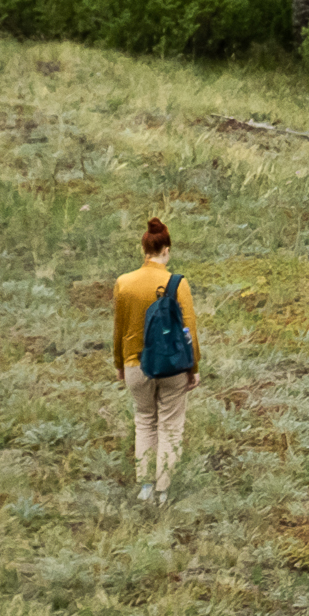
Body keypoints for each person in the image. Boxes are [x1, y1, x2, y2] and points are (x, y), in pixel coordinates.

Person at [112, 214, 202, 505]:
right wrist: (194, 366)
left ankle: (145, 488)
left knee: (145, 420)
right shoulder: (178, 283)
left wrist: (119, 363)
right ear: (167, 250)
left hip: (135, 363)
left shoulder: (124, 283)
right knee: (170, 425)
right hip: (173, 366)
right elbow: (189, 329)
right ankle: (163, 492)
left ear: (144, 250)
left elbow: (119, 328)